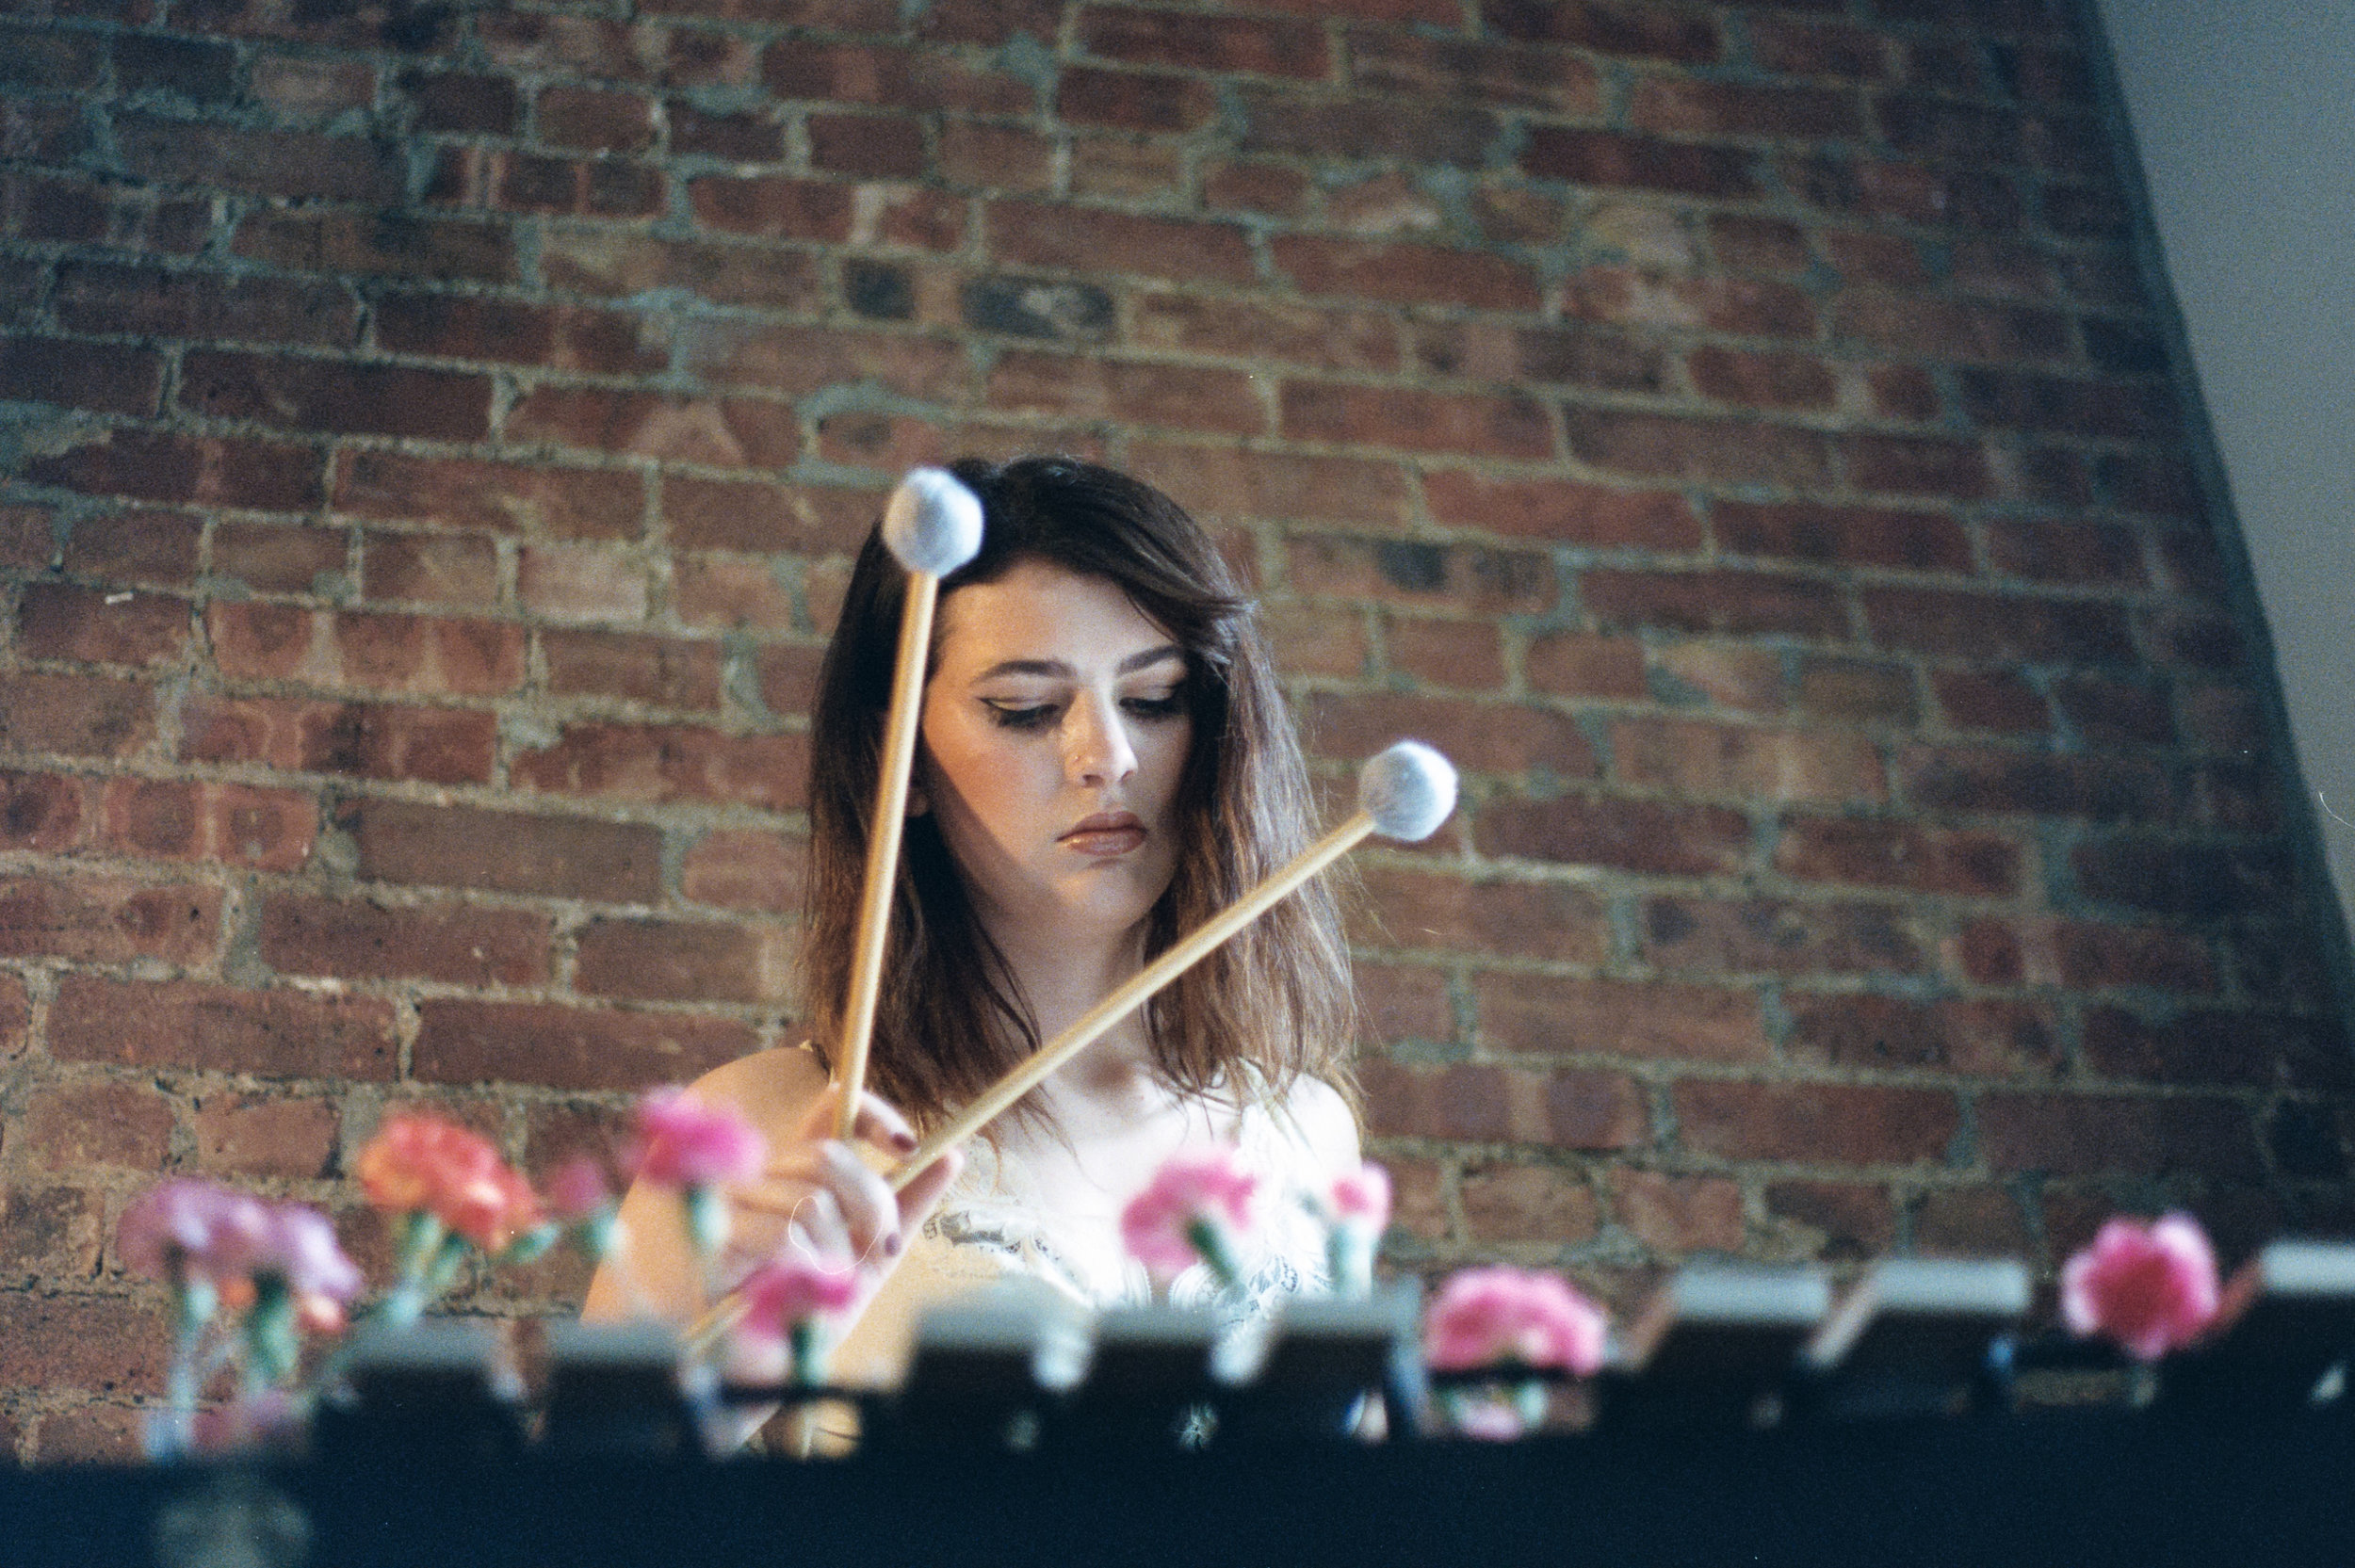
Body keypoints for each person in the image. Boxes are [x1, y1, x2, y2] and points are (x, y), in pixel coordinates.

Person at [581, 456, 1365, 1435]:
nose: (1106, 755)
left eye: (1155, 698)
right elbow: (569, 1534)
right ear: (896, 759)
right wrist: (735, 1369)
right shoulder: (752, 1134)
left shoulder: (1307, 1130)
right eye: (1028, 710)